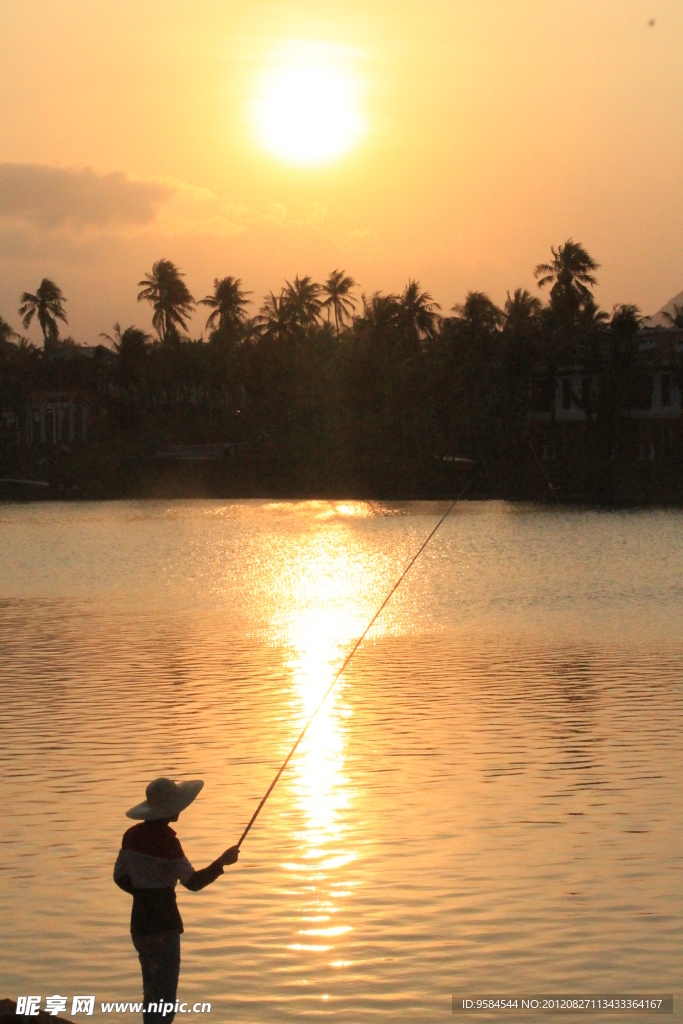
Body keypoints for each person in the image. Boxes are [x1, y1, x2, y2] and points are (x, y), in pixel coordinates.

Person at [114, 777, 239, 1024]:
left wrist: (143, 893)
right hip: (164, 926)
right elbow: (192, 882)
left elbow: (119, 877)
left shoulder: (131, 836)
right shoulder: (168, 842)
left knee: (151, 994)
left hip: (139, 925)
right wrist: (221, 862)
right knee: (165, 999)